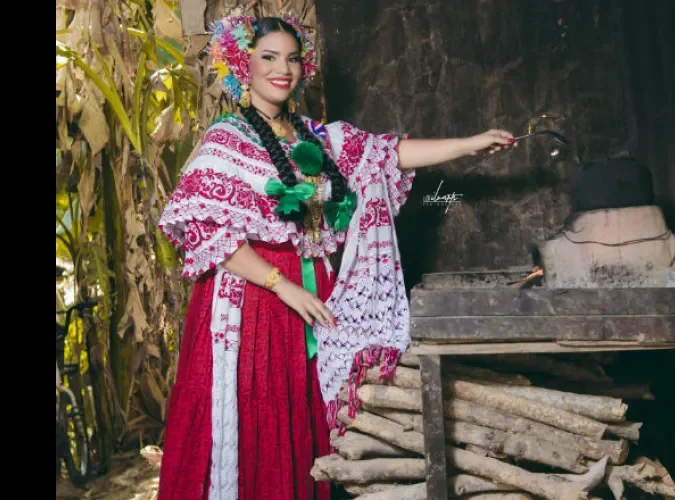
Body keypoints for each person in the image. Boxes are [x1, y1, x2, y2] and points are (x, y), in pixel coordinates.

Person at [156, 11, 514, 500]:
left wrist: (471, 145)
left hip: (315, 296)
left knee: (310, 420)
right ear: (243, 64)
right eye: (269, 57)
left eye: (293, 58)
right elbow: (199, 230)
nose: (283, 69)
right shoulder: (226, 141)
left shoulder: (320, 138)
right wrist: (280, 286)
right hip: (253, 303)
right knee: (257, 416)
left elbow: (390, 153)